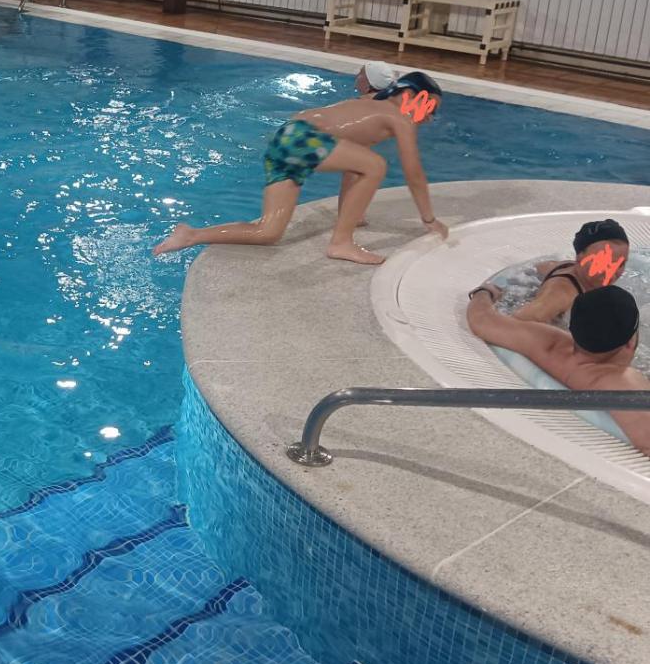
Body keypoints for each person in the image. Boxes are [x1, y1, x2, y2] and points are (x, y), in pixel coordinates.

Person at [152, 72, 449, 266]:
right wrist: (429, 219)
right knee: (375, 165)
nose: (429, 117)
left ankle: (191, 235)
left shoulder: (370, 104)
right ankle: (341, 243)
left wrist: (352, 215)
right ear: (410, 96)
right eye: (430, 108)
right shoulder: (398, 118)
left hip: (286, 138)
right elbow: (414, 173)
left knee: (268, 231)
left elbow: (353, 168)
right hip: (304, 138)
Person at [467, 282, 649, 455]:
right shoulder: (621, 381)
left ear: (573, 327)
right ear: (630, 343)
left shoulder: (549, 343)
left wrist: (485, 292)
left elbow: (482, 320)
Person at [512, 219, 631, 323]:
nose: (612, 272)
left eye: (620, 264)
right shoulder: (562, 293)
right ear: (579, 256)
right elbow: (517, 322)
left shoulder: (579, 271)